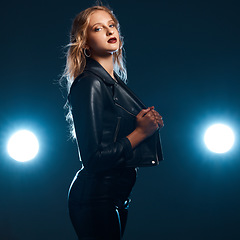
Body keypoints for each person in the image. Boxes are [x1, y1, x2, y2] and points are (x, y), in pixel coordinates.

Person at [61, 4, 164, 240]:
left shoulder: (112, 82)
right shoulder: (90, 83)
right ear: (85, 43)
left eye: (112, 25)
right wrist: (141, 131)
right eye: (98, 28)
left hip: (115, 196)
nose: (109, 31)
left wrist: (149, 123)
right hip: (95, 198)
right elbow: (93, 158)